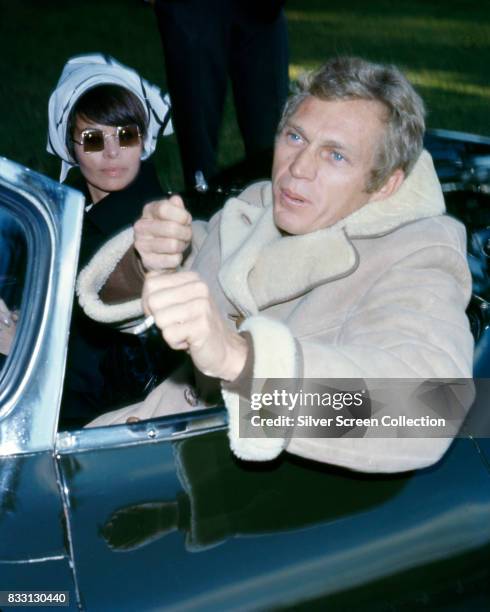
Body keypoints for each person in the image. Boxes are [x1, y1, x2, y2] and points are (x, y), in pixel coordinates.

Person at [78, 57, 474, 472]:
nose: (297, 169)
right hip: (146, 447)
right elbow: (174, 266)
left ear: (385, 184)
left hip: (238, 504)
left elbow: (428, 408)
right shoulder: (259, 205)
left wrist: (240, 359)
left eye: (336, 156)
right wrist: (149, 257)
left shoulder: (419, 256)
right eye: (295, 137)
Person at [47, 53, 174, 425]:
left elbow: (89, 361)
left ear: (144, 139)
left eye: (126, 135)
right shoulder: (68, 210)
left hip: (105, 416)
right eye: (93, 139)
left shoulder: (150, 228)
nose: (113, 152)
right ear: (71, 147)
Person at [153, 0, 289, 195]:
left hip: (262, 11)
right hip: (193, 8)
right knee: (197, 128)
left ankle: (270, 207)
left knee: (270, 132)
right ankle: (201, 207)